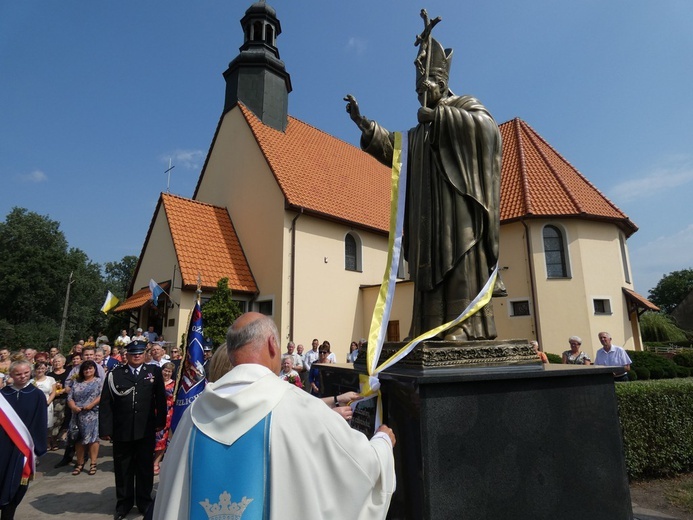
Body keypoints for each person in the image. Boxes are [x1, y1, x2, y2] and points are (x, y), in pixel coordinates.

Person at [153, 312, 396, 519]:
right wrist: (383, 441)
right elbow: (361, 468)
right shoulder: (300, 407)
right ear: (272, 344)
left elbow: (170, 496)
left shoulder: (193, 415)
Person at [345, 26, 502, 342]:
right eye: (418, 91)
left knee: (461, 266)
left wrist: (441, 116)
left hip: (459, 213)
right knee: (428, 271)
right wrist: (365, 125)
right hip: (430, 218)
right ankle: (429, 328)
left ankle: (465, 326)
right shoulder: (420, 132)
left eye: (425, 88)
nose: (420, 95)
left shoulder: (464, 106)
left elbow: (487, 131)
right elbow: (395, 149)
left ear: (442, 86)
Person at [99, 341, 166, 519]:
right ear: (126, 355)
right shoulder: (115, 374)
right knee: (123, 468)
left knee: (145, 467)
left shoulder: (153, 372)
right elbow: (106, 402)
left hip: (145, 428)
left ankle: (144, 501)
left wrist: (160, 421)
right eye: (133, 353)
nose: (136, 356)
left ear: (145, 354)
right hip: (122, 429)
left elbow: (160, 398)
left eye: (139, 353)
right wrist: (106, 428)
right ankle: (124, 503)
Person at [0, 361, 47, 519]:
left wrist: (37, 449)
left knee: (17, 483)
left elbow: (40, 421)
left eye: (26, 373)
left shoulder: (37, 394)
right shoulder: (3, 395)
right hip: (3, 446)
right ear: (11, 375)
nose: (23, 376)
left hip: (23, 448)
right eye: (18, 374)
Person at [67, 360, 101, 476]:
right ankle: (80, 463)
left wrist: (91, 405)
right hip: (77, 414)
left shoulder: (98, 381)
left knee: (93, 439)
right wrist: (73, 406)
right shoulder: (76, 382)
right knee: (78, 440)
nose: (88, 371)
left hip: (92, 414)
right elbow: (70, 397)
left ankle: (93, 463)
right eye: (85, 369)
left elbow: (101, 395)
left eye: (90, 368)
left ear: (94, 369)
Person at [152, 362, 176, 476]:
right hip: (153, 412)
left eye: (169, 371)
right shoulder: (156, 382)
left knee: (162, 439)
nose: (166, 373)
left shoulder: (174, 385)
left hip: (167, 414)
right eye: (165, 370)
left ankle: (156, 463)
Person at [31, 361, 56, 449]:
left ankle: (48, 442)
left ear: (46, 369)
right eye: (38, 368)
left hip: (47, 403)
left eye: (42, 368)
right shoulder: (31, 381)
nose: (40, 370)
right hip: (35, 404)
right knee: (38, 423)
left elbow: (53, 392)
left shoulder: (50, 379)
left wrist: (48, 402)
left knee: (48, 424)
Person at [48, 354, 69, 452]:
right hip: (54, 400)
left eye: (59, 361)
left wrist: (63, 390)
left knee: (63, 420)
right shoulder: (50, 375)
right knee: (54, 421)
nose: (56, 363)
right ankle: (52, 440)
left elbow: (70, 386)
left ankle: (58, 438)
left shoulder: (68, 373)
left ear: (63, 363)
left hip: (66, 399)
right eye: (55, 361)